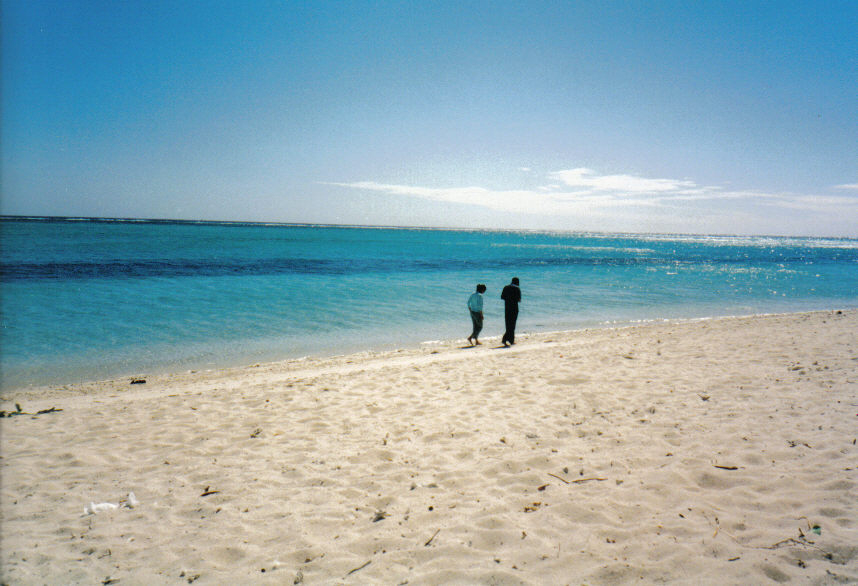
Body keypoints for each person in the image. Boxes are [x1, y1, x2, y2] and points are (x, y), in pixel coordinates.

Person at [500, 277, 521, 347]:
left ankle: (511, 340)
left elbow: (502, 297)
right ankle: (506, 339)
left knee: (508, 324)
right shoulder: (517, 289)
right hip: (514, 308)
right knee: (512, 325)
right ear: (517, 282)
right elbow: (519, 300)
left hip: (507, 308)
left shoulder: (506, 287)